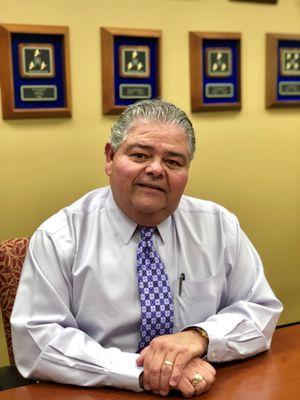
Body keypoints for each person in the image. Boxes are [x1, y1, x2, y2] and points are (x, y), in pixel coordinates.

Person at [11, 99, 282, 398]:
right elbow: (37, 342)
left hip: (201, 386)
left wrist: (199, 337)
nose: (156, 169)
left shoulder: (219, 226)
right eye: (140, 155)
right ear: (110, 157)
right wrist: (145, 371)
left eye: (173, 161)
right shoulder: (60, 236)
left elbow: (260, 309)